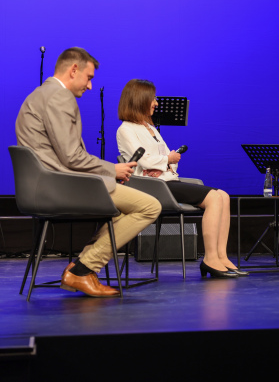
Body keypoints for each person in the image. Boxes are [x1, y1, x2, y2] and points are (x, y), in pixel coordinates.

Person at [15, 47, 161, 297]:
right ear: (74, 70)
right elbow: (71, 157)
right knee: (150, 206)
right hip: (60, 188)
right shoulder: (59, 98)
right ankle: (82, 270)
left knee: (119, 213)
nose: (90, 86)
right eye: (89, 78)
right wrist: (112, 170)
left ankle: (82, 266)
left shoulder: (39, 94)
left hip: (47, 185)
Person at [116, 79, 247, 278]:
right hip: (153, 187)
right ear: (140, 99)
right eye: (153, 99)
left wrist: (166, 162)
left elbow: (168, 158)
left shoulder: (150, 128)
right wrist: (163, 161)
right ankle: (210, 258)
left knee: (224, 196)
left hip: (168, 181)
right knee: (213, 198)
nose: (156, 103)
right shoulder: (126, 129)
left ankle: (221, 256)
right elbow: (143, 158)